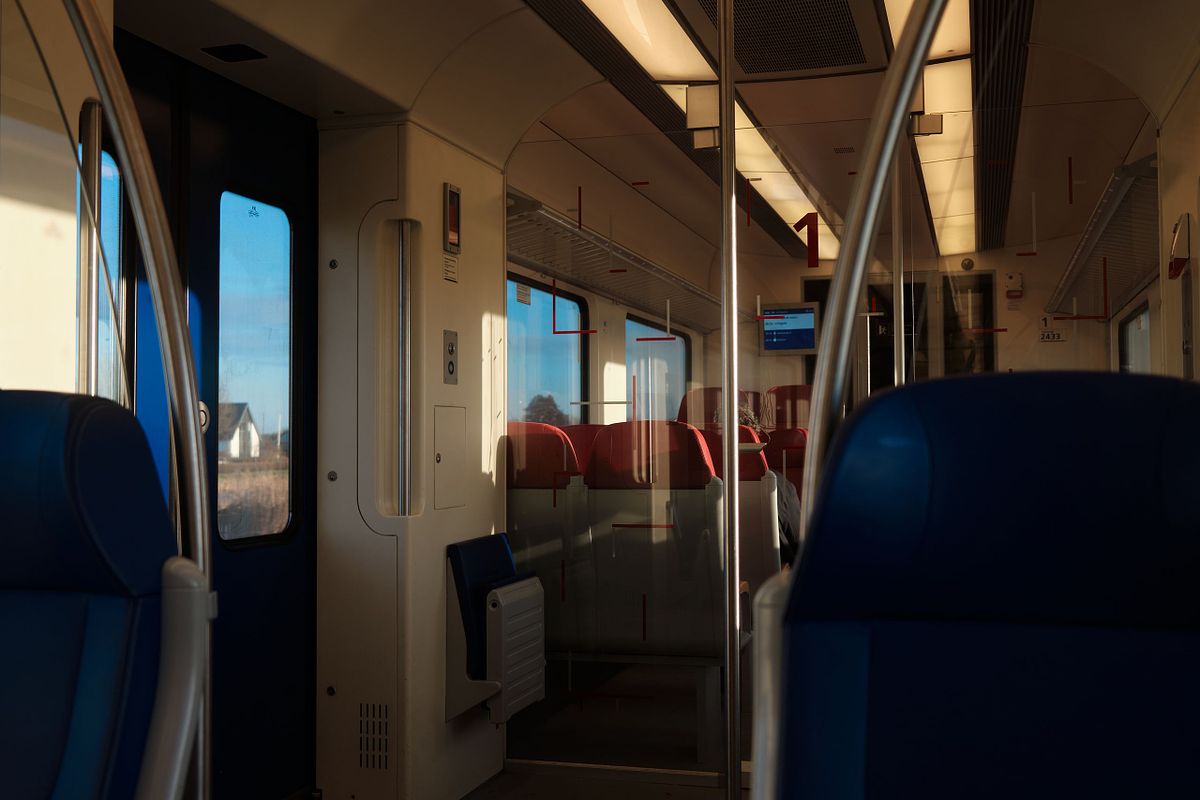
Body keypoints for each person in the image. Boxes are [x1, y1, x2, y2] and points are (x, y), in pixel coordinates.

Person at [717, 404, 802, 567]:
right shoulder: (779, 485)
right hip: (770, 578)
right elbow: (798, 547)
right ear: (756, 441)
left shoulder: (698, 483)